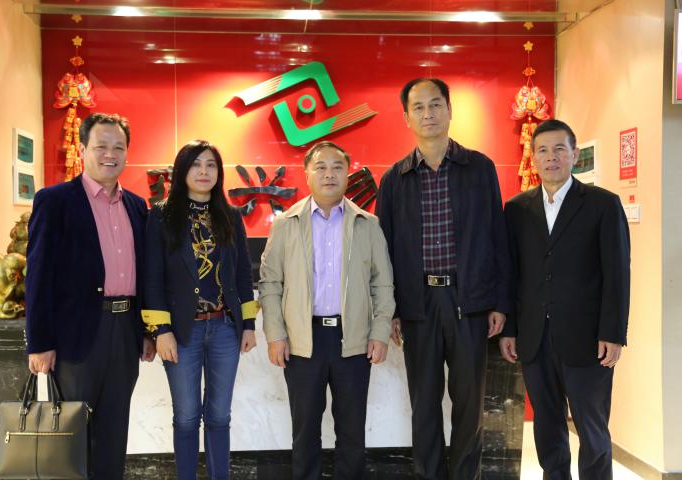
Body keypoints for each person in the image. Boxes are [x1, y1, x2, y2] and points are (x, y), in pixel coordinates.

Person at [375, 78, 513, 480]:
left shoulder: (479, 168)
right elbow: (384, 253)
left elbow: (497, 238)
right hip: (418, 305)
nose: (428, 114)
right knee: (424, 403)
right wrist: (392, 311)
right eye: (418, 107)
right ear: (407, 118)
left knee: (470, 404)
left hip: (469, 301)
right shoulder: (394, 179)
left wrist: (500, 302)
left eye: (435, 105)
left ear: (449, 110)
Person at [26, 112, 155, 479]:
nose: (110, 154)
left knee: (114, 431)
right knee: (73, 433)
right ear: (82, 149)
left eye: (118, 147)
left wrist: (147, 330)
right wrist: (40, 343)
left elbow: (145, 271)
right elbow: (38, 275)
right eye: (101, 146)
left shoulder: (136, 206)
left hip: (125, 331)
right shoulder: (55, 201)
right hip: (78, 334)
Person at [500, 119, 630, 479]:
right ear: (533, 158)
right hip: (535, 338)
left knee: (592, 428)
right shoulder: (516, 209)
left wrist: (613, 333)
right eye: (542, 150)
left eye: (560, 149)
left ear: (574, 154)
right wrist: (510, 328)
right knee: (547, 425)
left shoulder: (603, 204)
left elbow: (617, 274)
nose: (551, 157)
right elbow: (511, 273)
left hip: (588, 339)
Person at [259, 141, 395, 480]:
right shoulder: (286, 224)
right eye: (320, 167)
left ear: (348, 174)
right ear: (307, 174)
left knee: (352, 430)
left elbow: (382, 284)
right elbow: (270, 283)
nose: (329, 174)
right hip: (303, 341)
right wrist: (275, 335)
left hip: (353, 340)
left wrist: (380, 332)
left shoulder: (368, 224)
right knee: (305, 430)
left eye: (337, 167)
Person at [142, 140, 258, 480]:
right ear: (182, 171)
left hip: (225, 329)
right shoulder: (161, 215)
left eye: (211, 165)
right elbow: (152, 277)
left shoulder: (230, 216)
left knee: (220, 416)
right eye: (196, 164)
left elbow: (242, 273)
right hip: (181, 332)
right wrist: (161, 331)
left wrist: (248, 324)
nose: (204, 171)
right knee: (187, 417)